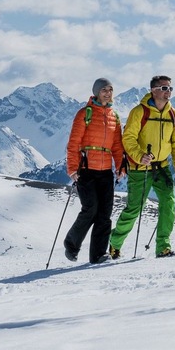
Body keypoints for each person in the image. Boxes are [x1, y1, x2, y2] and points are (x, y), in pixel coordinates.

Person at [108, 74, 175, 259]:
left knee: (169, 204)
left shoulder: (174, 115)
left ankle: (163, 247)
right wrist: (139, 156)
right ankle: (115, 243)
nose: (168, 92)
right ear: (153, 90)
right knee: (134, 208)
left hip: (162, 167)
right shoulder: (139, 112)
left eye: (170, 89)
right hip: (139, 168)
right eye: (164, 88)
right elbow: (128, 138)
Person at [63, 78, 125, 264]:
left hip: (105, 171)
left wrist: (120, 166)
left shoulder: (114, 116)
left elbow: (117, 146)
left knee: (104, 214)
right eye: (104, 89)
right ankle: (71, 244)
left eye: (110, 89)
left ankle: (98, 255)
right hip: (86, 169)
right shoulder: (85, 113)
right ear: (97, 92)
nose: (107, 93)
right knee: (90, 209)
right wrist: (73, 169)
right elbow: (73, 143)